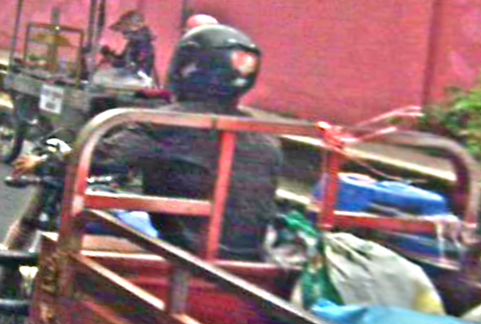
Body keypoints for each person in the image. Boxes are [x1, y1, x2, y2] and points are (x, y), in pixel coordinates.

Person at [14, 24, 283, 261]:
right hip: (248, 260)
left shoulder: (166, 122)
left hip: (184, 256)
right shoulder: (263, 135)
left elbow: (100, 158)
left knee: (61, 249)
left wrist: (44, 163)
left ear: (185, 68)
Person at [95, 10, 156, 87]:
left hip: (137, 79)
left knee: (99, 78)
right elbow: (124, 60)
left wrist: (110, 57)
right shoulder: (134, 43)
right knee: (100, 75)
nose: (123, 33)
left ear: (134, 28)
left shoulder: (143, 44)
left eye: (125, 31)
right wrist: (108, 53)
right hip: (131, 75)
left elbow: (129, 65)